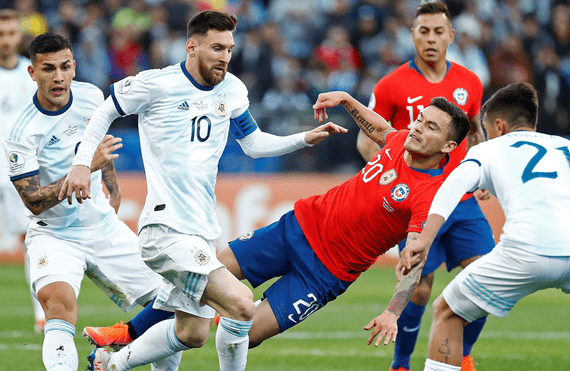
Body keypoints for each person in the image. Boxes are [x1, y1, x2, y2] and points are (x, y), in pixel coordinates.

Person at [60, 10, 347, 371]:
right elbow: (105, 111)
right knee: (242, 303)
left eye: (229, 48)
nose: (225, 56)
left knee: (191, 332)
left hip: (202, 232)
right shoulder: (158, 84)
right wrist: (82, 163)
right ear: (191, 47)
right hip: (165, 230)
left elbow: (254, 143)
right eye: (216, 48)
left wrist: (303, 139)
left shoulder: (233, 89)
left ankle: (109, 362)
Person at [400, 82, 570, 371]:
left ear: (499, 126)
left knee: (448, 312)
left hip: (528, 249)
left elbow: (452, 186)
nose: (486, 137)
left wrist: (424, 240)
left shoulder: (489, 149)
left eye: (486, 130)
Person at [212, 91, 469, 349]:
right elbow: (380, 128)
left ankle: (239, 315)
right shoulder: (400, 140)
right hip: (299, 228)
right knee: (209, 274)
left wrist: (393, 312)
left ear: (448, 146)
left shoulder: (430, 196)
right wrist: (346, 100)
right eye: (420, 119)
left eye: (431, 127)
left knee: (244, 337)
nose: (418, 128)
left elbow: (416, 258)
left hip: (326, 273)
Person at [2, 32, 181, 371]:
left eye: (65, 67)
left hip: (102, 227)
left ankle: (112, 362)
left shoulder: (90, 96)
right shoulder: (20, 130)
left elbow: (99, 146)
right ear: (32, 73)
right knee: (59, 305)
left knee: (169, 308)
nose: (58, 77)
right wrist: (84, 169)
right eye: (48, 69)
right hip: (54, 236)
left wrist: (111, 189)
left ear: (74, 67)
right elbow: (33, 201)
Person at [355, 3, 493, 370]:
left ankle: (461, 355)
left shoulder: (470, 82)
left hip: (462, 200)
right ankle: (401, 364)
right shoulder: (390, 84)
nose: (431, 38)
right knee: (418, 287)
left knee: (487, 279)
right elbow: (367, 140)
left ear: (451, 35)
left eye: (438, 31)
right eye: (423, 31)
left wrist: (483, 172)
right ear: (412, 35)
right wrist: (385, 171)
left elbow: (476, 131)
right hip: (419, 200)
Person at [0, 8, 43, 333]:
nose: (5, 40)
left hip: (19, 174)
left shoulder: (31, 78)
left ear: (19, 36)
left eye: (11, 33)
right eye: (1, 34)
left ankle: (41, 313)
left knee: (32, 240)